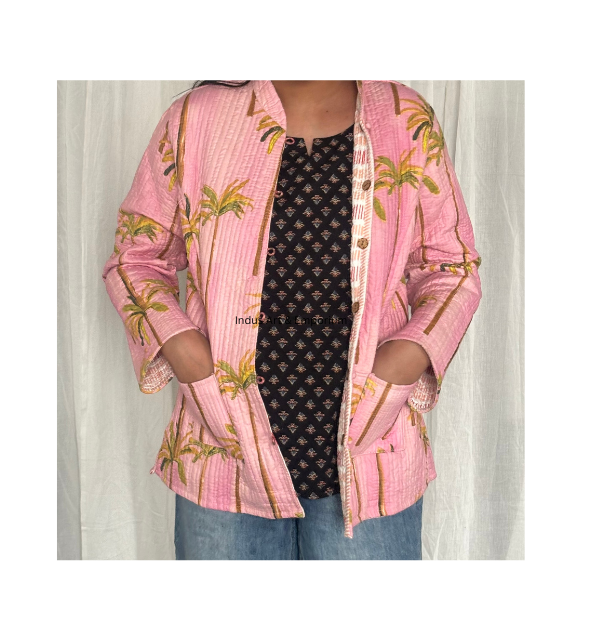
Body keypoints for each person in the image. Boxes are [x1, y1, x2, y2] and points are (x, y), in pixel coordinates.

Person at [101, 80, 482, 560]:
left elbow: (452, 267)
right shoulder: (195, 118)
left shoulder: (404, 117)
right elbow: (136, 258)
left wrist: (402, 361)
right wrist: (187, 354)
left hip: (372, 446)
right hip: (222, 443)